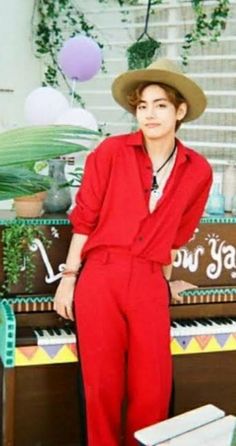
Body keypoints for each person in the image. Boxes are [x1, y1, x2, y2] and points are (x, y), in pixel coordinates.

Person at [54, 58, 213, 446]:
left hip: (148, 280)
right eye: (142, 105)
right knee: (102, 390)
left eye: (160, 105)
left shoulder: (198, 170)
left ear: (180, 111)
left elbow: (177, 235)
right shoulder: (110, 152)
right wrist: (69, 280)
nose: (149, 114)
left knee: (153, 390)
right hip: (100, 278)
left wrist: (165, 282)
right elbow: (85, 219)